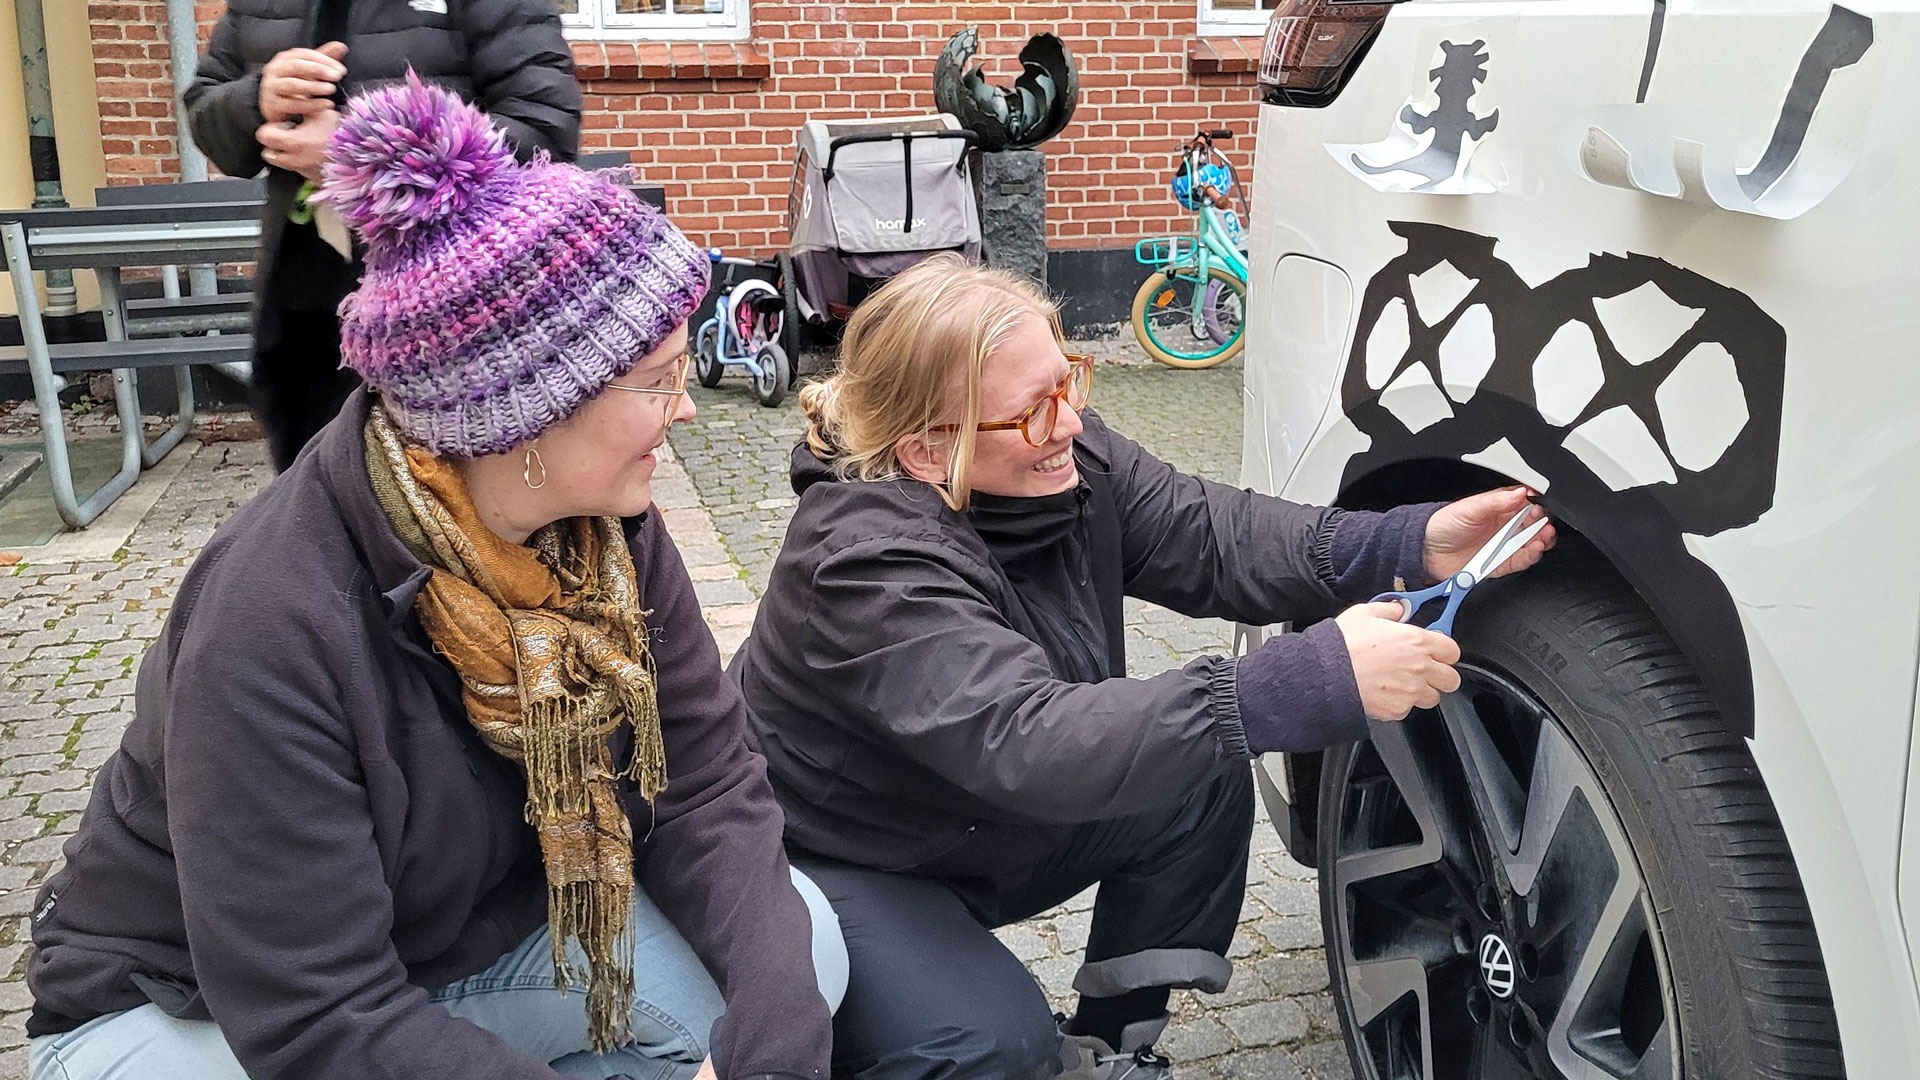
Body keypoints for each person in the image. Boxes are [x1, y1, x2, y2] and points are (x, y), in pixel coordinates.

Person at [25, 79, 842, 1080]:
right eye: (657, 381)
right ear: (528, 412)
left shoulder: (606, 537)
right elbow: (316, 1012)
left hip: (447, 945)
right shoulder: (274, 616)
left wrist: (776, 1043)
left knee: (803, 951)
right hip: (194, 1014)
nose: (688, 412)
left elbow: (708, 788)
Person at [729, 254, 1554, 1079]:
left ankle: (1110, 1050)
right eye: (1029, 412)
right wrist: (1315, 677)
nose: (1070, 425)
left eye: (1070, 382)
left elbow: (1219, 535)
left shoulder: (1064, 459)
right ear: (923, 450)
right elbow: (1029, 742)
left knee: (1201, 773)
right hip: (834, 856)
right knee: (984, 1043)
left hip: (971, 818)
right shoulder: (862, 567)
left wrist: (1409, 543)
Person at [184, 0, 582, 472]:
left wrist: (359, 152)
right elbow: (206, 110)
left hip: (452, 319)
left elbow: (544, 133)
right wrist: (257, 98)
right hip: (305, 319)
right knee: (322, 512)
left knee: (449, 517)